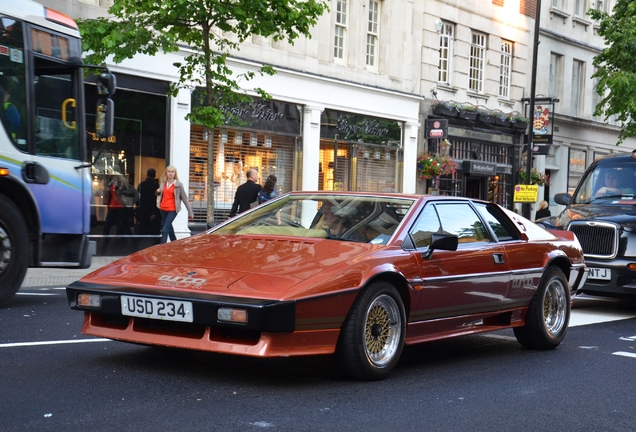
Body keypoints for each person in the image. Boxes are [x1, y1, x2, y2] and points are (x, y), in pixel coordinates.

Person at [156, 165, 193, 244]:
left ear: (175, 174)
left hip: (172, 209)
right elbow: (159, 195)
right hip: (162, 208)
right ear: (166, 173)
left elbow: (185, 199)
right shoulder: (163, 184)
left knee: (165, 229)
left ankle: (161, 248)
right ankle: (175, 244)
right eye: (169, 171)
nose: (170, 173)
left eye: (172, 172)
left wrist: (190, 212)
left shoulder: (178, 185)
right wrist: (158, 192)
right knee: (169, 228)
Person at [136, 168, 161, 234]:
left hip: (142, 210)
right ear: (154, 175)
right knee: (154, 232)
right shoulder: (156, 186)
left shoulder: (141, 185)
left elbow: (137, 198)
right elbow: (157, 200)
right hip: (153, 211)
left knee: (142, 230)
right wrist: (154, 212)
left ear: (147, 174)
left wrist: (138, 208)